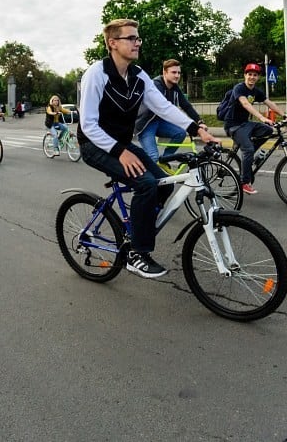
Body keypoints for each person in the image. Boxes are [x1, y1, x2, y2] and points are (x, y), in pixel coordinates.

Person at [78, 18, 217, 278]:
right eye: (131, 38)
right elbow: (87, 125)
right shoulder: (96, 75)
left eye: (138, 38)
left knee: (165, 182)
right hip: (94, 144)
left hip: (121, 144)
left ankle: (138, 226)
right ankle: (136, 254)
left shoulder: (139, 76)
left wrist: (196, 129)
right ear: (112, 43)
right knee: (146, 184)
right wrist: (121, 151)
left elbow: (163, 107)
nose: (137, 42)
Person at [224, 63, 287, 195]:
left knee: (268, 130)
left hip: (245, 123)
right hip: (233, 125)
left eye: (255, 75)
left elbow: (270, 103)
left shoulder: (256, 91)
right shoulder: (239, 88)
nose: (252, 77)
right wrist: (262, 117)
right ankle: (244, 182)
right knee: (248, 149)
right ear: (245, 75)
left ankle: (248, 155)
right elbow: (245, 103)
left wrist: (285, 116)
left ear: (258, 77)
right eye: (249, 74)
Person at [134, 59, 204, 164]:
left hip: (160, 122)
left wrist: (199, 121)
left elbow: (186, 106)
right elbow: (164, 108)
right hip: (145, 124)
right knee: (153, 157)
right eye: (173, 72)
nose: (177, 75)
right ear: (164, 72)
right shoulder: (155, 85)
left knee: (180, 133)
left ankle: (166, 158)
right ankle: (142, 178)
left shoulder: (175, 88)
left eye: (179, 73)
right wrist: (191, 126)